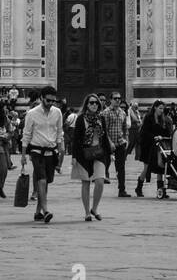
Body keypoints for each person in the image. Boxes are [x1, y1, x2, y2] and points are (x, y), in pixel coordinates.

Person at [22, 85, 64, 224]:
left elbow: (59, 132)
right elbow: (26, 134)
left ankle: (37, 212)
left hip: (51, 151)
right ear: (41, 98)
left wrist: (61, 150)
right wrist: (23, 155)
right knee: (42, 179)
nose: (51, 103)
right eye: (48, 100)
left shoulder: (57, 112)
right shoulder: (32, 113)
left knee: (46, 182)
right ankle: (46, 210)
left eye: (53, 101)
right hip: (36, 151)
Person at [71, 92, 112, 221]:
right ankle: (87, 213)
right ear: (87, 105)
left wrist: (109, 154)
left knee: (100, 181)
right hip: (84, 153)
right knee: (86, 183)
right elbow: (76, 139)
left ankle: (94, 208)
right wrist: (74, 156)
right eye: (91, 103)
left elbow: (104, 137)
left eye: (96, 103)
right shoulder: (81, 119)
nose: (94, 105)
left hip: (99, 153)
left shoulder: (101, 118)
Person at [136, 100, 173, 196]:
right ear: (155, 108)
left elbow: (164, 131)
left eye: (163, 109)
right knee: (147, 167)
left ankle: (160, 190)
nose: (161, 111)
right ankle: (139, 187)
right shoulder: (149, 118)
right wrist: (154, 137)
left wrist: (162, 136)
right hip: (147, 145)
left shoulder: (162, 119)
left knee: (160, 166)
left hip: (158, 145)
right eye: (160, 108)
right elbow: (144, 132)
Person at [102, 91, 131, 197]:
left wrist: (126, 139)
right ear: (111, 100)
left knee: (121, 167)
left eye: (119, 98)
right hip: (108, 143)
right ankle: (99, 186)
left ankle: (122, 189)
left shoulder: (122, 112)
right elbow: (104, 130)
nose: (118, 100)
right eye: (115, 98)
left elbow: (125, 128)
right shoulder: (106, 112)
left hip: (120, 143)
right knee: (103, 165)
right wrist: (109, 142)